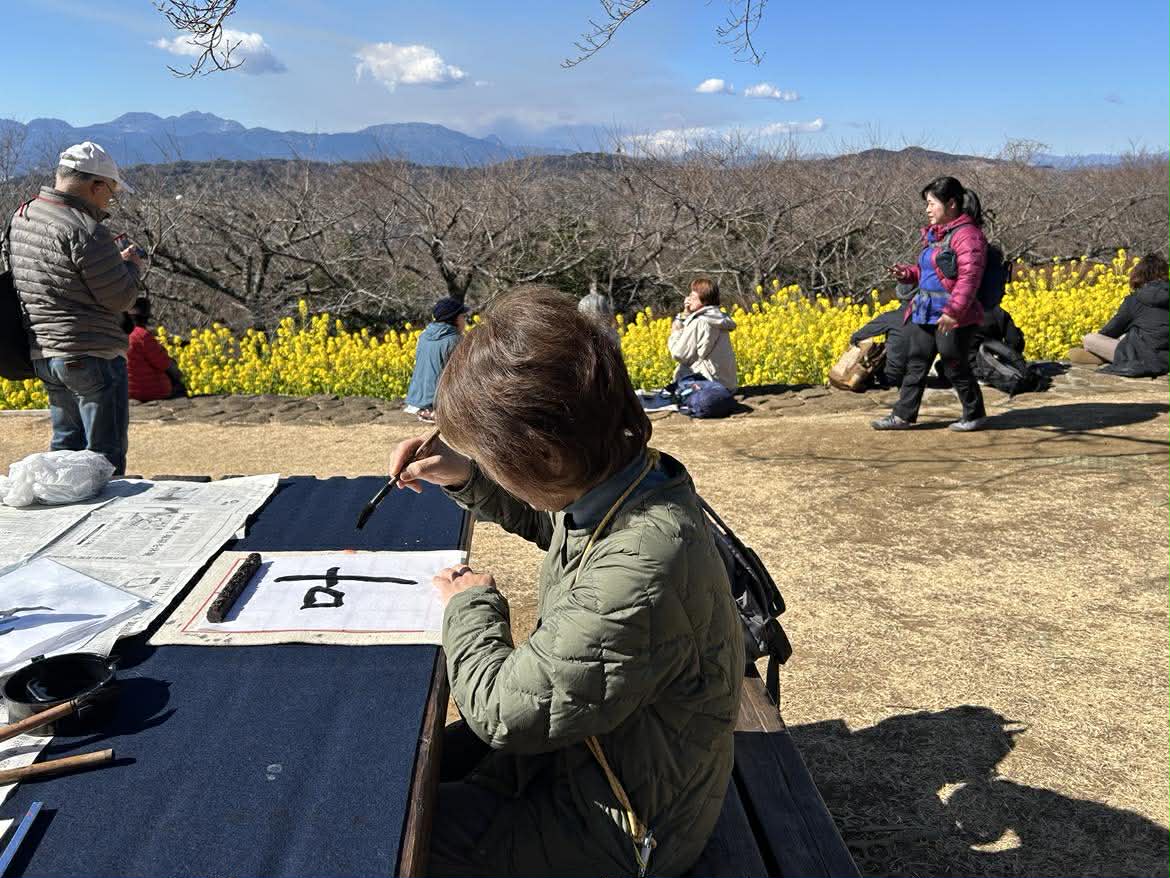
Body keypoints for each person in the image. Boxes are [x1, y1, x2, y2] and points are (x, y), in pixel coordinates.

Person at [389, 285, 744, 877]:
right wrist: (464, 476)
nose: (492, 468)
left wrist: (473, 606)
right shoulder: (625, 477)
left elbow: (506, 711)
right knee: (399, 767)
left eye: (495, 458)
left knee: (389, 829)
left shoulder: (640, 567)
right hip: (607, 761)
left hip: (629, 827)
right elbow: (554, 520)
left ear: (548, 459)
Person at [10, 142, 142, 475]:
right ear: (95, 185)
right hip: (91, 353)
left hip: (45, 352)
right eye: (110, 191)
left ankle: (63, 516)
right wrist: (130, 267)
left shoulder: (23, 215)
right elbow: (120, 298)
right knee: (103, 459)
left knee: (63, 454)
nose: (110, 199)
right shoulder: (87, 230)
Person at [873, 176, 988, 431]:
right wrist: (908, 274)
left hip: (954, 316)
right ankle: (903, 415)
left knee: (954, 364)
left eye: (931, 203)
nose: (927, 209)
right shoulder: (937, 235)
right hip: (926, 311)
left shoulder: (968, 236)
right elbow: (932, 272)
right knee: (915, 363)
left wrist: (954, 312)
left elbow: (970, 278)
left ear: (951, 204)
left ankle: (974, 413)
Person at [1076, 253, 1170, 377]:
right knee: (1131, 334)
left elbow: (1110, 331)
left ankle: (1100, 357)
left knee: (1089, 339)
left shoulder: (1135, 300)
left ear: (1139, 274)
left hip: (1142, 358)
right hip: (1166, 357)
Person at [404, 296, 469, 422]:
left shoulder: (423, 336)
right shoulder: (456, 340)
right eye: (463, 316)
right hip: (439, 405)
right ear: (454, 319)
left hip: (417, 402)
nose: (465, 321)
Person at [667, 276, 738, 390]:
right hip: (727, 385)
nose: (688, 299)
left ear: (704, 300)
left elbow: (679, 354)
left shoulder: (700, 322)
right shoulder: (718, 318)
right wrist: (686, 313)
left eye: (693, 297)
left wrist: (675, 330)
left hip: (708, 385)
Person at [125, 297, 187, 402]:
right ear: (146, 317)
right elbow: (163, 363)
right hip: (150, 391)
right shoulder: (141, 335)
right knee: (178, 382)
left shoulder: (118, 334)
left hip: (125, 391)